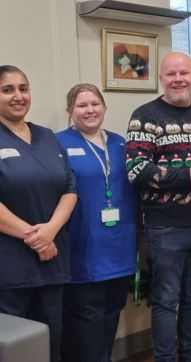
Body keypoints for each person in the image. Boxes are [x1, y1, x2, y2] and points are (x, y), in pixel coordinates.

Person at [125, 51, 191, 362]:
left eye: (184, 73)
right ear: (161, 79)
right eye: (171, 74)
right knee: (166, 301)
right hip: (164, 226)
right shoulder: (145, 116)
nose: (178, 79)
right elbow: (136, 170)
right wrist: (187, 176)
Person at [0, 65, 77, 362]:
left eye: (23, 88)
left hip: (51, 260)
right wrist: (36, 238)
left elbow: (70, 188)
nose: (18, 96)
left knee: (50, 341)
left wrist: (49, 232)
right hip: (10, 265)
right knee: (15, 348)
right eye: (7, 90)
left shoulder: (46, 136)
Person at [55, 83, 137, 362]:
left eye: (95, 104)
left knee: (111, 314)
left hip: (119, 247)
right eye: (81, 105)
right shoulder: (58, 144)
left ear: (103, 107)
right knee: (85, 323)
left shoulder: (121, 143)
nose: (90, 110)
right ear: (69, 110)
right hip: (83, 249)